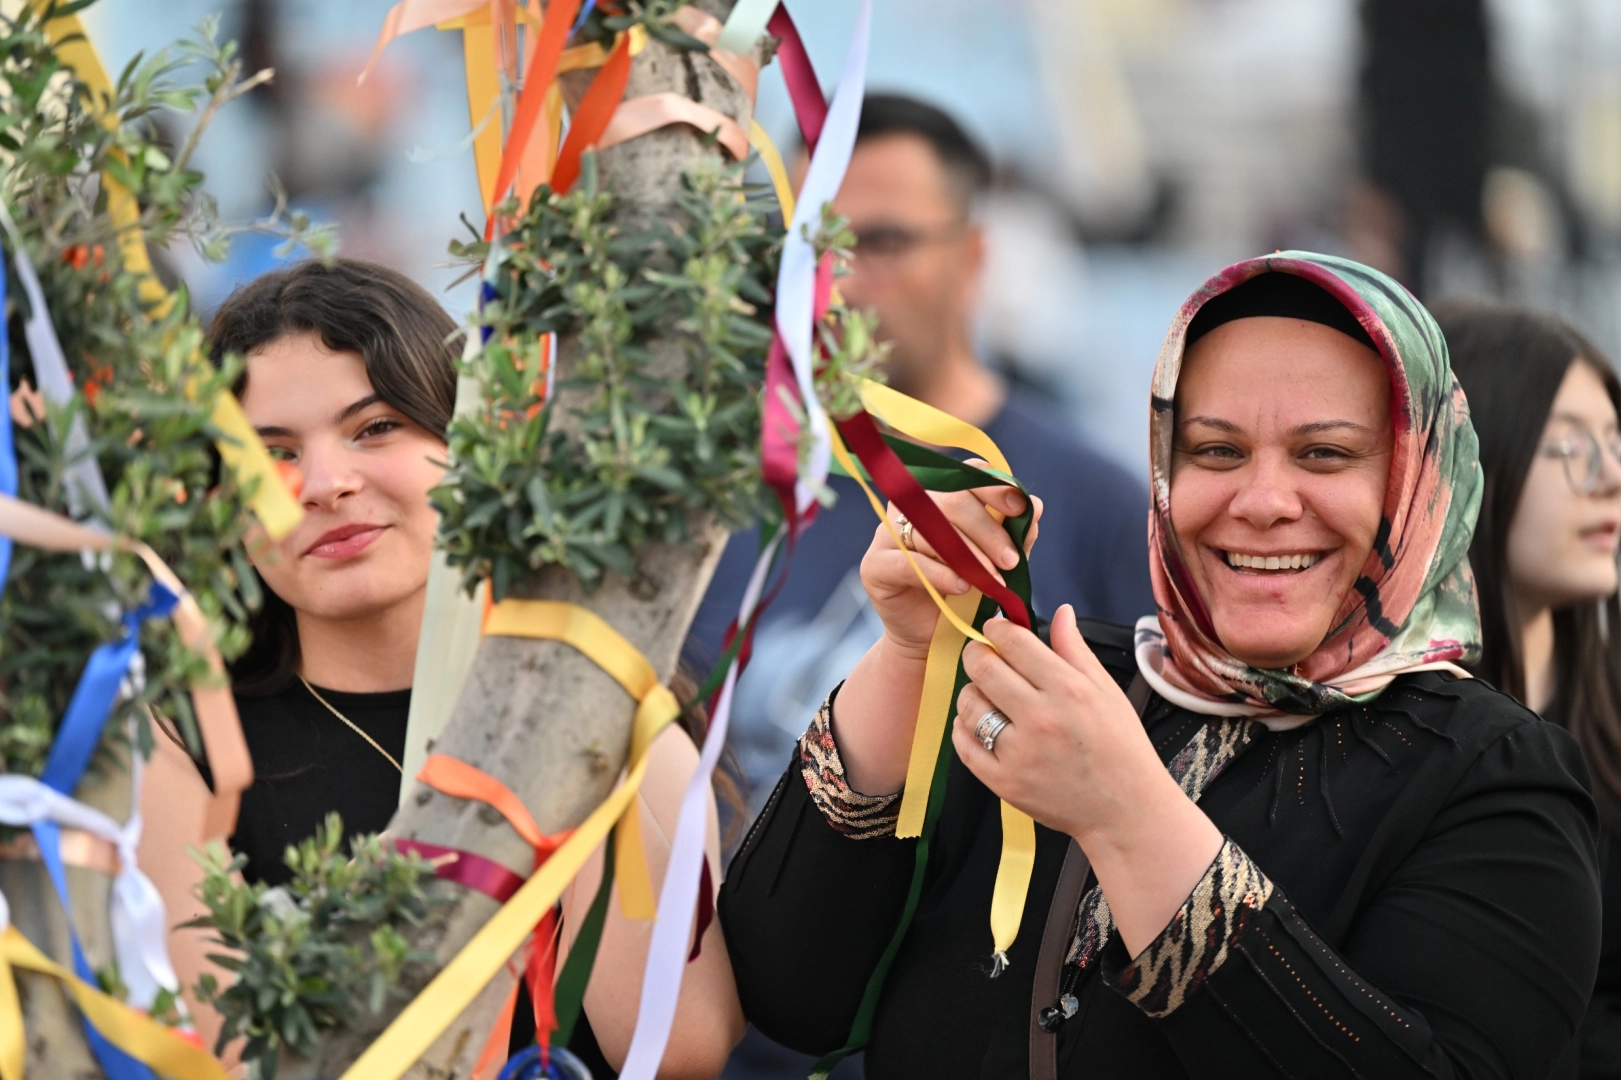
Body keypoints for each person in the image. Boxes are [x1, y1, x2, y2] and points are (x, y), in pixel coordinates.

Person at [720, 252, 1602, 1078]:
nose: (1261, 502)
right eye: (1215, 451)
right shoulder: (1061, 687)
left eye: (1324, 453)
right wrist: (909, 648)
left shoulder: (1490, 774)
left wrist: (1124, 813)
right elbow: (790, 992)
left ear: (1418, 481)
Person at [204, 258, 744, 1077]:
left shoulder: (609, 702)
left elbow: (676, 1046)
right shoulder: (196, 741)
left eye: (375, 428)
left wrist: (567, 699)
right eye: (271, 454)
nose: (325, 484)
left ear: (475, 443)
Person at [688, 94, 1152, 822]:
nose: (838, 282)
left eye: (881, 243)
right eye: (813, 245)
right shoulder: (712, 493)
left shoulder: (1095, 505)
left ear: (972, 258)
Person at [1434, 301, 1621, 1080]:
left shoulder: (1605, 727)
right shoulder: (1389, 741)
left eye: (1614, 444)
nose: (1608, 479)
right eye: (1570, 446)